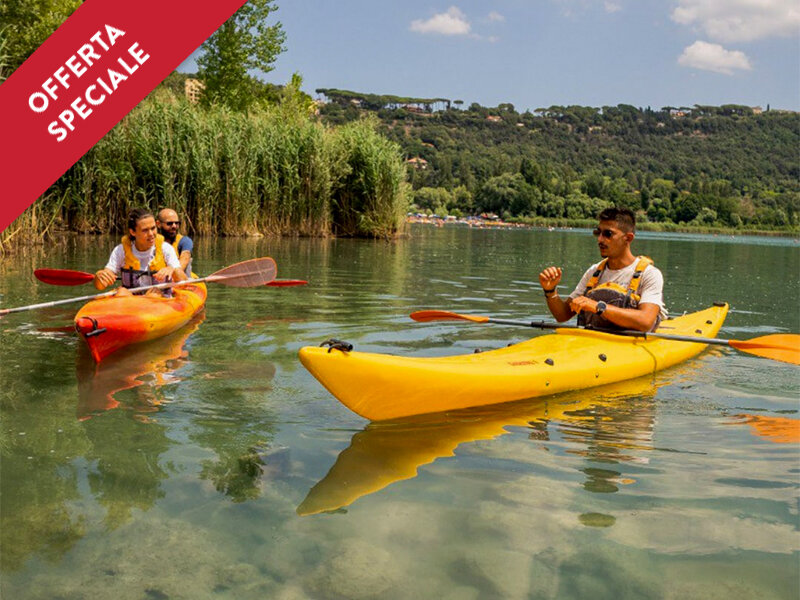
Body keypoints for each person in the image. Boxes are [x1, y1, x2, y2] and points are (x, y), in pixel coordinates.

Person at [539, 207, 667, 332]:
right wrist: (550, 291)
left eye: (608, 234)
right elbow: (563, 315)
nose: (600, 239)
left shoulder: (650, 274)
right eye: (598, 233)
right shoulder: (594, 272)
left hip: (629, 347)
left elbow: (645, 322)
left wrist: (598, 307)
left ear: (628, 238)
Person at [94, 208, 187, 295]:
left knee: (154, 293)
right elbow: (100, 286)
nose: (151, 234)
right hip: (131, 300)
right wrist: (99, 277)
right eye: (145, 230)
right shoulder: (120, 250)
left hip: (159, 299)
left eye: (153, 228)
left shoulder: (166, 249)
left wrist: (172, 269)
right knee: (121, 292)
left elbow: (184, 282)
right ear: (133, 232)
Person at [156, 208, 193, 276]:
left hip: (181, 282)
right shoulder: (152, 242)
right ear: (158, 224)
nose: (174, 226)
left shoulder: (185, 241)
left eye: (177, 223)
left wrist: (171, 270)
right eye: (169, 223)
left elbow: (185, 258)